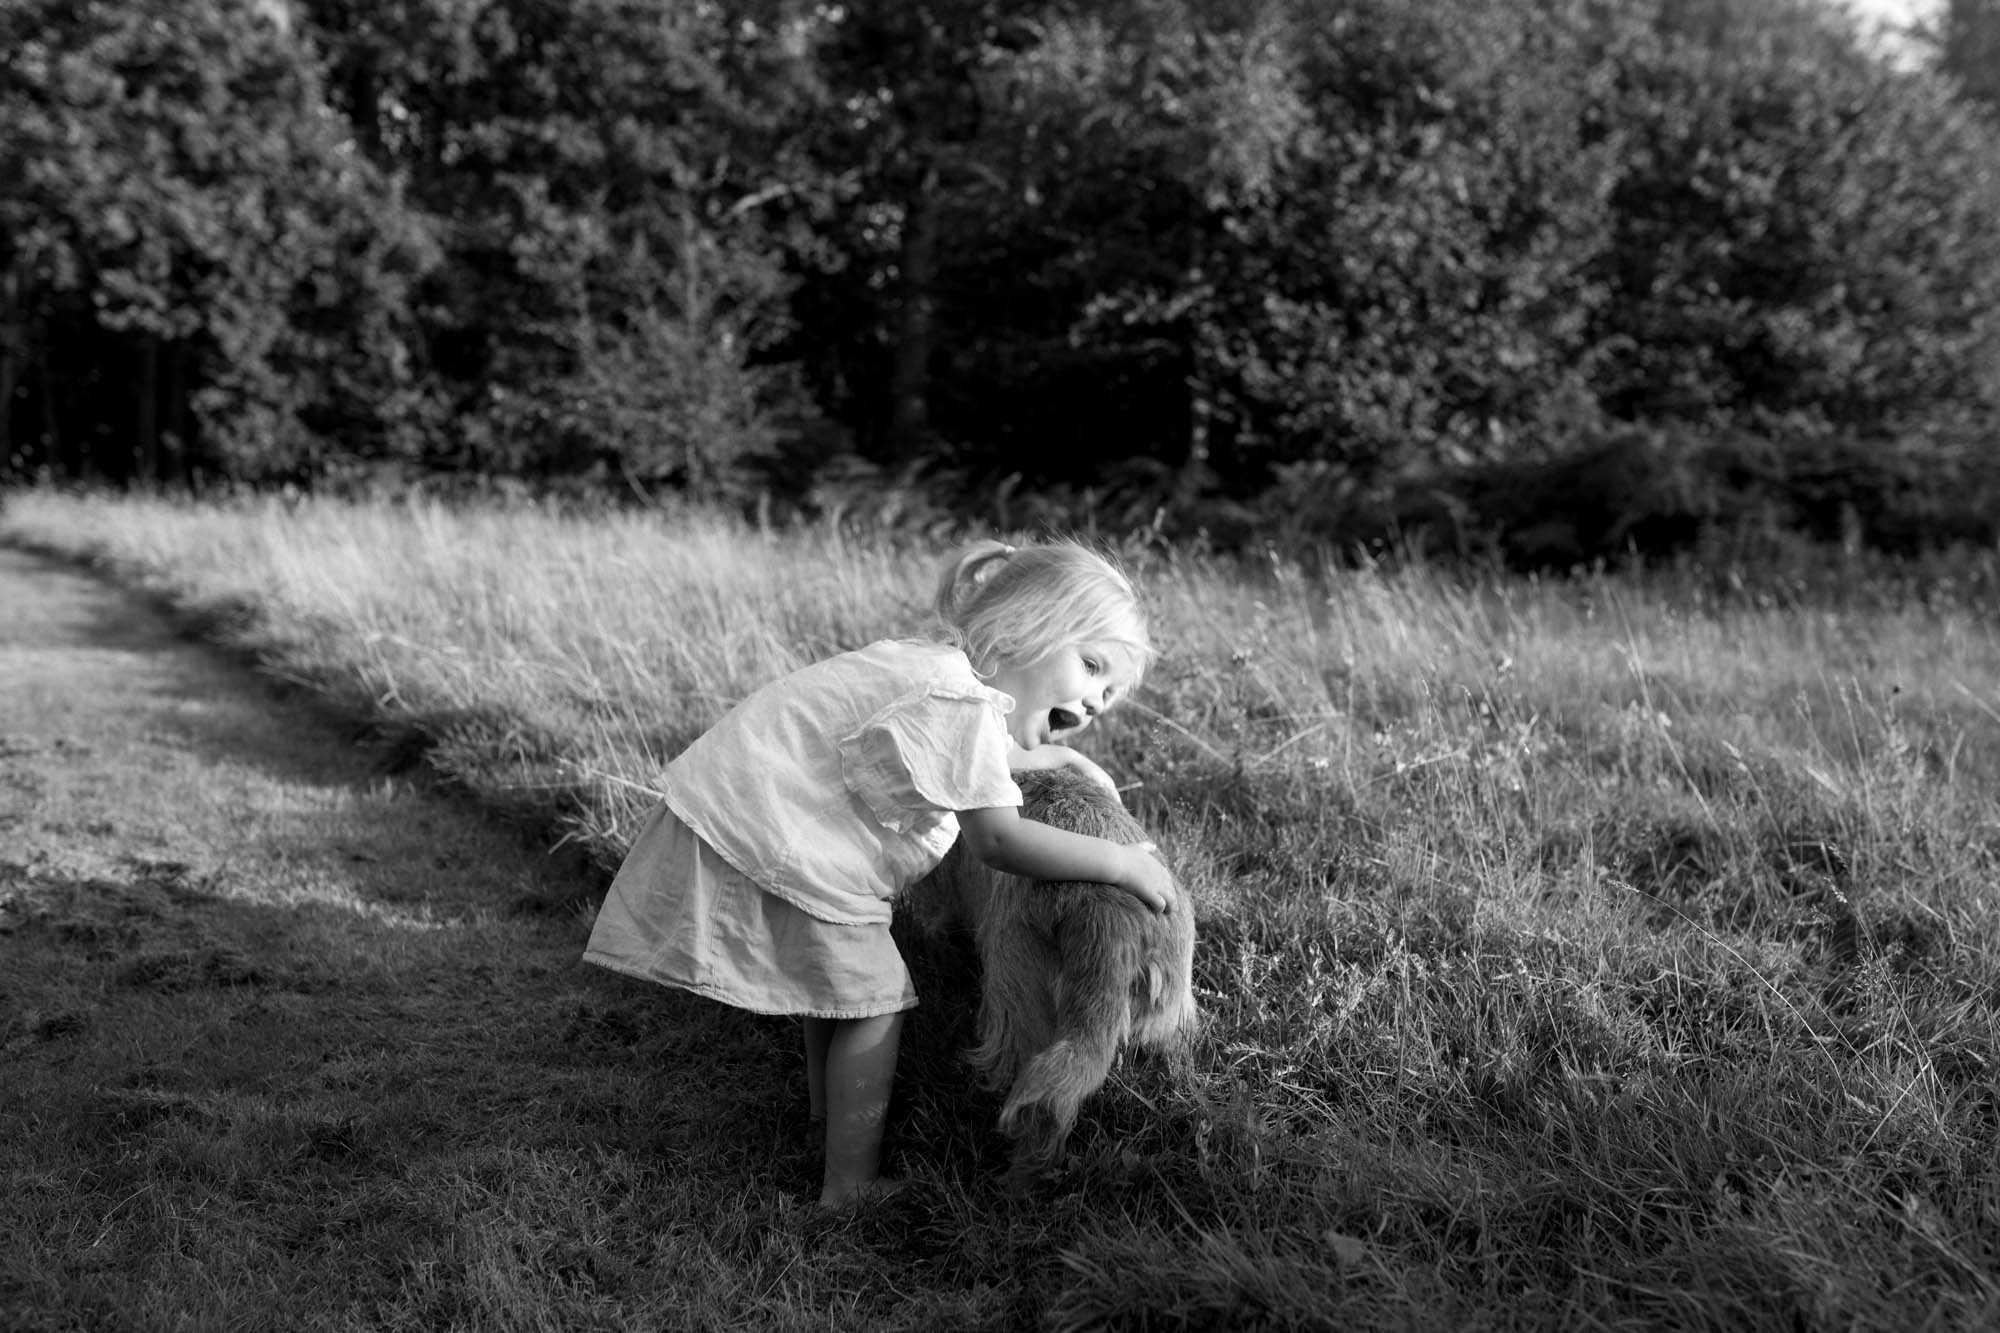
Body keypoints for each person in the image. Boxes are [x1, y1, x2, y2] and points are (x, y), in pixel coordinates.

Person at [582, 538, 1175, 1208]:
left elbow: (988, 756)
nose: (1097, 699)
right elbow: (1000, 839)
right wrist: (1120, 861)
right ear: (1024, 629)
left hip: (761, 815)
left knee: (831, 993)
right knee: (874, 1002)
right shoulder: (961, 705)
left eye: (1109, 691)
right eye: (1092, 665)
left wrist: (1058, 763)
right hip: (786, 841)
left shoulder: (935, 672)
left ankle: (824, 1125)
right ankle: (850, 1184)